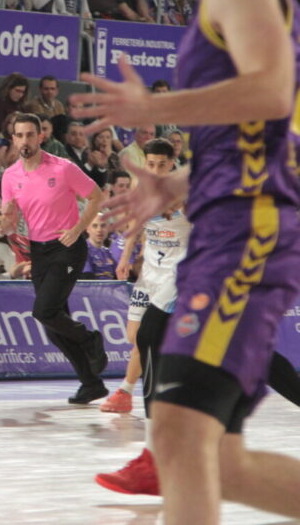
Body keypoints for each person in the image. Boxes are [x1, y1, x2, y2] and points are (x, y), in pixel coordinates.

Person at [72, 0, 300, 521]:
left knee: (178, 436)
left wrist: (153, 107)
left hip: (247, 230)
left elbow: (269, 92)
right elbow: (257, 136)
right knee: (216, 460)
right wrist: (176, 183)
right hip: (223, 228)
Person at [1, 113, 107, 404]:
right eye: (19, 135)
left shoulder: (62, 168)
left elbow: (97, 196)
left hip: (66, 246)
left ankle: (90, 339)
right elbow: (9, 221)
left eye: (29, 135)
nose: (24, 140)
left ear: (40, 137)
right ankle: (91, 383)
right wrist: (3, 223)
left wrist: (78, 229)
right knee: (55, 326)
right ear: (13, 139)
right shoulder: (10, 176)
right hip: (39, 250)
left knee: (45, 312)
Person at [101, 139, 187, 415]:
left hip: (177, 272)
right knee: (135, 336)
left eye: (162, 165)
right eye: (150, 164)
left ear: (172, 164)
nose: (156, 170)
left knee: (150, 334)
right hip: (150, 270)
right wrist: (126, 257)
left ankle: (128, 391)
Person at [0, 72, 29, 137]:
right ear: (8, 89)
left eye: (23, 92)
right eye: (17, 91)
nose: (20, 95)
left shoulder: (22, 108)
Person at [80, 213, 116, 280]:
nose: (99, 230)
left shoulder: (108, 253)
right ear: (87, 229)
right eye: (94, 226)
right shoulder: (83, 251)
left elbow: (117, 277)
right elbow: (86, 280)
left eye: (103, 226)